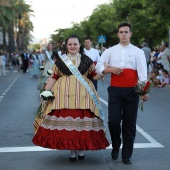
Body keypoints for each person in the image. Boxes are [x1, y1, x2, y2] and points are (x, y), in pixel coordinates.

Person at [32, 35, 109, 161]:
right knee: (69, 125)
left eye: (75, 44)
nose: (72, 46)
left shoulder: (86, 60)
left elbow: (94, 76)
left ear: (79, 45)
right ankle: (73, 151)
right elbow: (54, 77)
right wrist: (45, 92)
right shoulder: (60, 61)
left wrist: (105, 71)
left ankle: (81, 149)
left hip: (84, 97)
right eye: (70, 44)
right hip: (63, 97)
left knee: (82, 123)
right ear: (66, 46)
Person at [96, 22, 148, 164]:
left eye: (126, 32)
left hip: (132, 91)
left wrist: (143, 91)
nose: (123, 34)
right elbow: (99, 66)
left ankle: (127, 155)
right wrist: (110, 70)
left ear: (130, 34)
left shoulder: (138, 52)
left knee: (129, 123)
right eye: (121, 32)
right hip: (115, 90)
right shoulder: (110, 51)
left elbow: (143, 73)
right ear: (118, 34)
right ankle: (115, 145)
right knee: (113, 121)